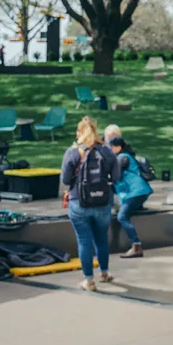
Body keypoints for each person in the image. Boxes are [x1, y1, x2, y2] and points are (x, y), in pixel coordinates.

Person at [60, 116, 121, 292]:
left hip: (78, 202)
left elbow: (65, 179)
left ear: (79, 133)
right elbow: (116, 177)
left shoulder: (73, 152)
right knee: (101, 239)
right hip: (102, 202)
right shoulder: (106, 151)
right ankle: (104, 273)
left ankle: (88, 280)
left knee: (84, 241)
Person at [108, 136, 153, 258]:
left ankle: (136, 246)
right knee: (125, 212)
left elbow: (115, 176)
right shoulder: (127, 156)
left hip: (136, 192)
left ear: (118, 147)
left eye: (111, 147)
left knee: (122, 217)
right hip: (140, 191)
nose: (110, 150)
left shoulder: (121, 158)